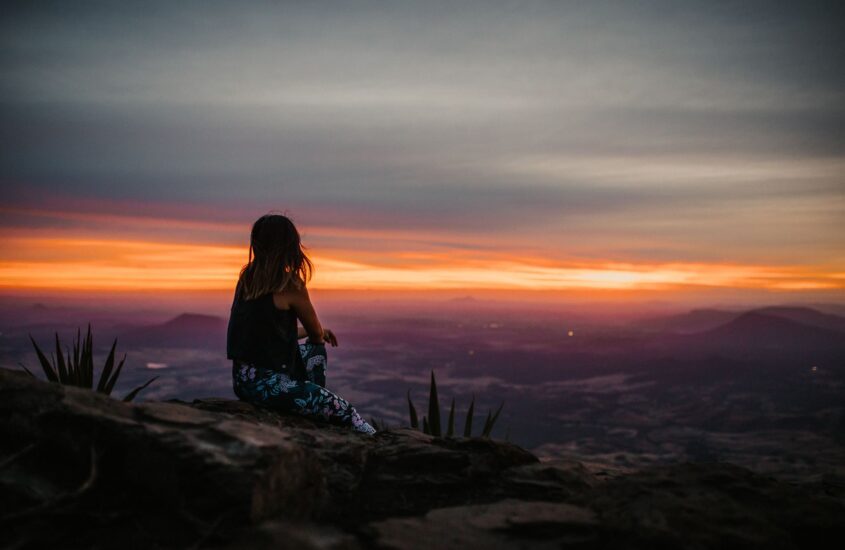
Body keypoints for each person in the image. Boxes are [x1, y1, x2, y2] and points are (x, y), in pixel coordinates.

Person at [226, 213, 376, 435]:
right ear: (290, 246)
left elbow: (267, 334)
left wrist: (309, 332)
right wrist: (317, 334)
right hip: (271, 386)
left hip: (243, 383)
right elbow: (316, 335)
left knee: (309, 350)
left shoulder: (247, 278)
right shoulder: (290, 284)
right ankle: (324, 412)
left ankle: (308, 401)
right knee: (346, 412)